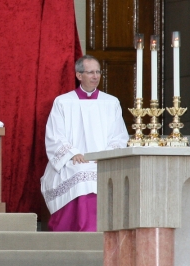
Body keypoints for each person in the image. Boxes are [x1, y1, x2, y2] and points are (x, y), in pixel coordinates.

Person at [40, 55, 128, 231]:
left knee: (98, 173)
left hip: (103, 160)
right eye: (90, 72)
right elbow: (55, 135)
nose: (95, 76)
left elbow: (119, 136)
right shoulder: (63, 102)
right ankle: (79, 229)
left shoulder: (111, 102)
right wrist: (73, 153)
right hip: (74, 159)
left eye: (97, 72)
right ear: (79, 75)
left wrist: (105, 156)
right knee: (80, 172)